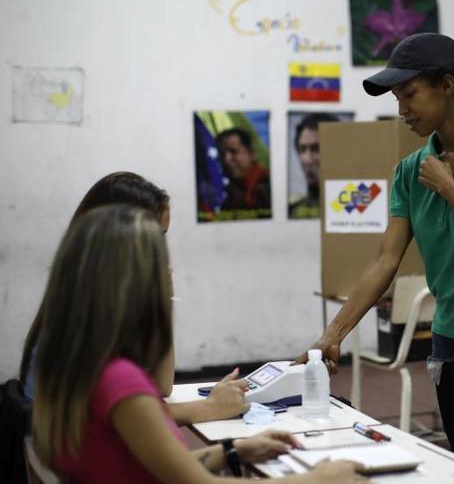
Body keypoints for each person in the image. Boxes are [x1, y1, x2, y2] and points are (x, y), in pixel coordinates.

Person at [295, 33, 454, 479]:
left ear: (446, 85)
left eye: (409, 94)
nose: (401, 109)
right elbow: (385, 262)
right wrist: (333, 334)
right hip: (450, 340)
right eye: (397, 97)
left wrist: (449, 187)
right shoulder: (410, 172)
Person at [32, 205, 365, 484]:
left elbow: (155, 469)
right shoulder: (121, 383)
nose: (170, 270)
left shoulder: (74, 366)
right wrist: (316, 480)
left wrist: (233, 451)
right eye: (160, 262)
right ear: (135, 284)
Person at [19, 172, 248, 425]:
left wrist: (163, 295)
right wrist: (211, 407)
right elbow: (129, 419)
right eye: (155, 237)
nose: (160, 251)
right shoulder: (85, 318)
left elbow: (161, 386)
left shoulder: (96, 299)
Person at [288, 113, 339, 219]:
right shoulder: (293, 211)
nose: (307, 160)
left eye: (317, 149)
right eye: (302, 149)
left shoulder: (353, 206)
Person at [217, 128, 271, 212]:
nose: (226, 159)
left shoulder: (270, 186)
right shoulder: (225, 194)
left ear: (251, 153)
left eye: (233, 151)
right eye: (221, 154)